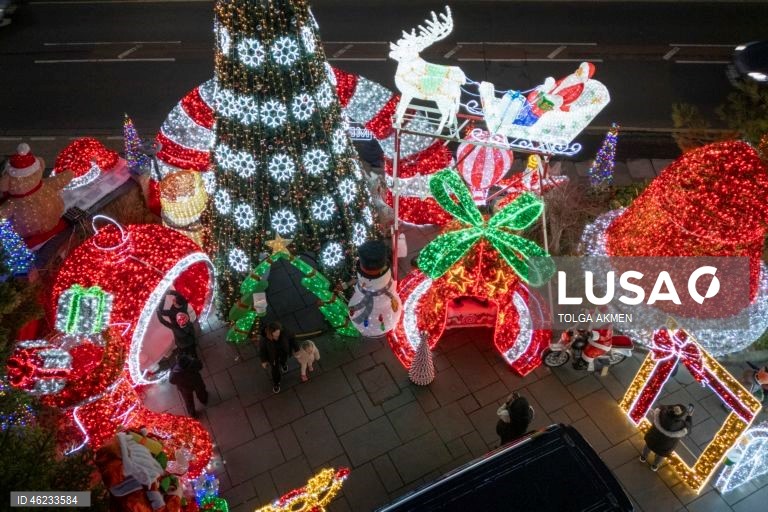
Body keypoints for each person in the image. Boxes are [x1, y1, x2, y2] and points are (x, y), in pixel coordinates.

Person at [640, 403, 693, 471]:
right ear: (680, 416)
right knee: (660, 455)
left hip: (652, 438)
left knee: (647, 447)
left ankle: (643, 457)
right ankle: (654, 466)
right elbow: (688, 429)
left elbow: (660, 406)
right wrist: (689, 416)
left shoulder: (662, 413)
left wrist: (672, 406)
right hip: (665, 446)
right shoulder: (681, 425)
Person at [259, 321, 298, 394]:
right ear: (271, 333)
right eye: (276, 333)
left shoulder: (284, 331)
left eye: (279, 332)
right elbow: (262, 350)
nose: (278, 334)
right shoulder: (264, 339)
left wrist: (296, 349)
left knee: (284, 359)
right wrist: (263, 361)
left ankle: (283, 364)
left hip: (283, 351)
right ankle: (276, 383)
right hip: (273, 356)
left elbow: (292, 338)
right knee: (275, 370)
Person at [156, 290, 197, 356]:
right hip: (190, 339)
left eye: (174, 300)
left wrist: (163, 299)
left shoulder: (173, 315)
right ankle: (192, 354)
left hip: (182, 343)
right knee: (191, 349)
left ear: (177, 304)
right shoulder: (184, 304)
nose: (173, 299)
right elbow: (178, 294)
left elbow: (161, 314)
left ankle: (187, 356)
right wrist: (169, 292)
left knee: (184, 351)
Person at [168, 353, 208, 418]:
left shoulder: (175, 372)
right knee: (201, 391)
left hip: (185, 388)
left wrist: (172, 368)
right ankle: (204, 400)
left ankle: (192, 413)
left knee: (188, 400)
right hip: (196, 382)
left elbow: (171, 381)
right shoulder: (194, 363)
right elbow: (200, 366)